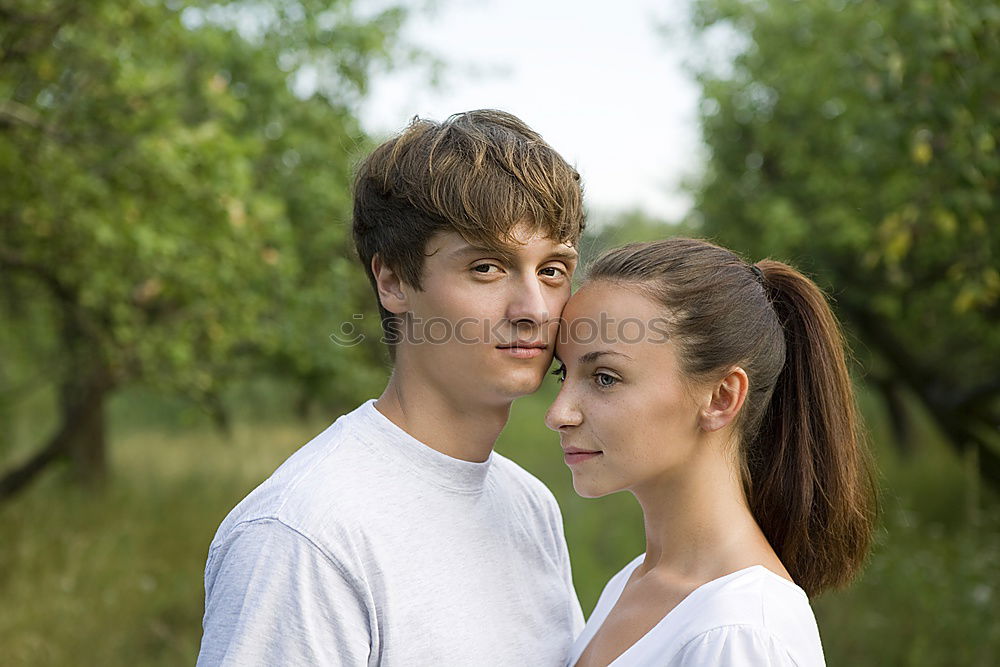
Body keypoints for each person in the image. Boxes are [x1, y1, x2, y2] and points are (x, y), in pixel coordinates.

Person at [197, 110, 587, 666]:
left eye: (551, 270)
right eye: (487, 267)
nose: (533, 310)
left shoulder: (531, 506)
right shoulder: (304, 535)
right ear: (393, 281)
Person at [546, 238, 877, 666]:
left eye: (605, 378)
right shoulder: (637, 580)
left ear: (721, 398)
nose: (559, 413)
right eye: (563, 373)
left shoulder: (741, 634)